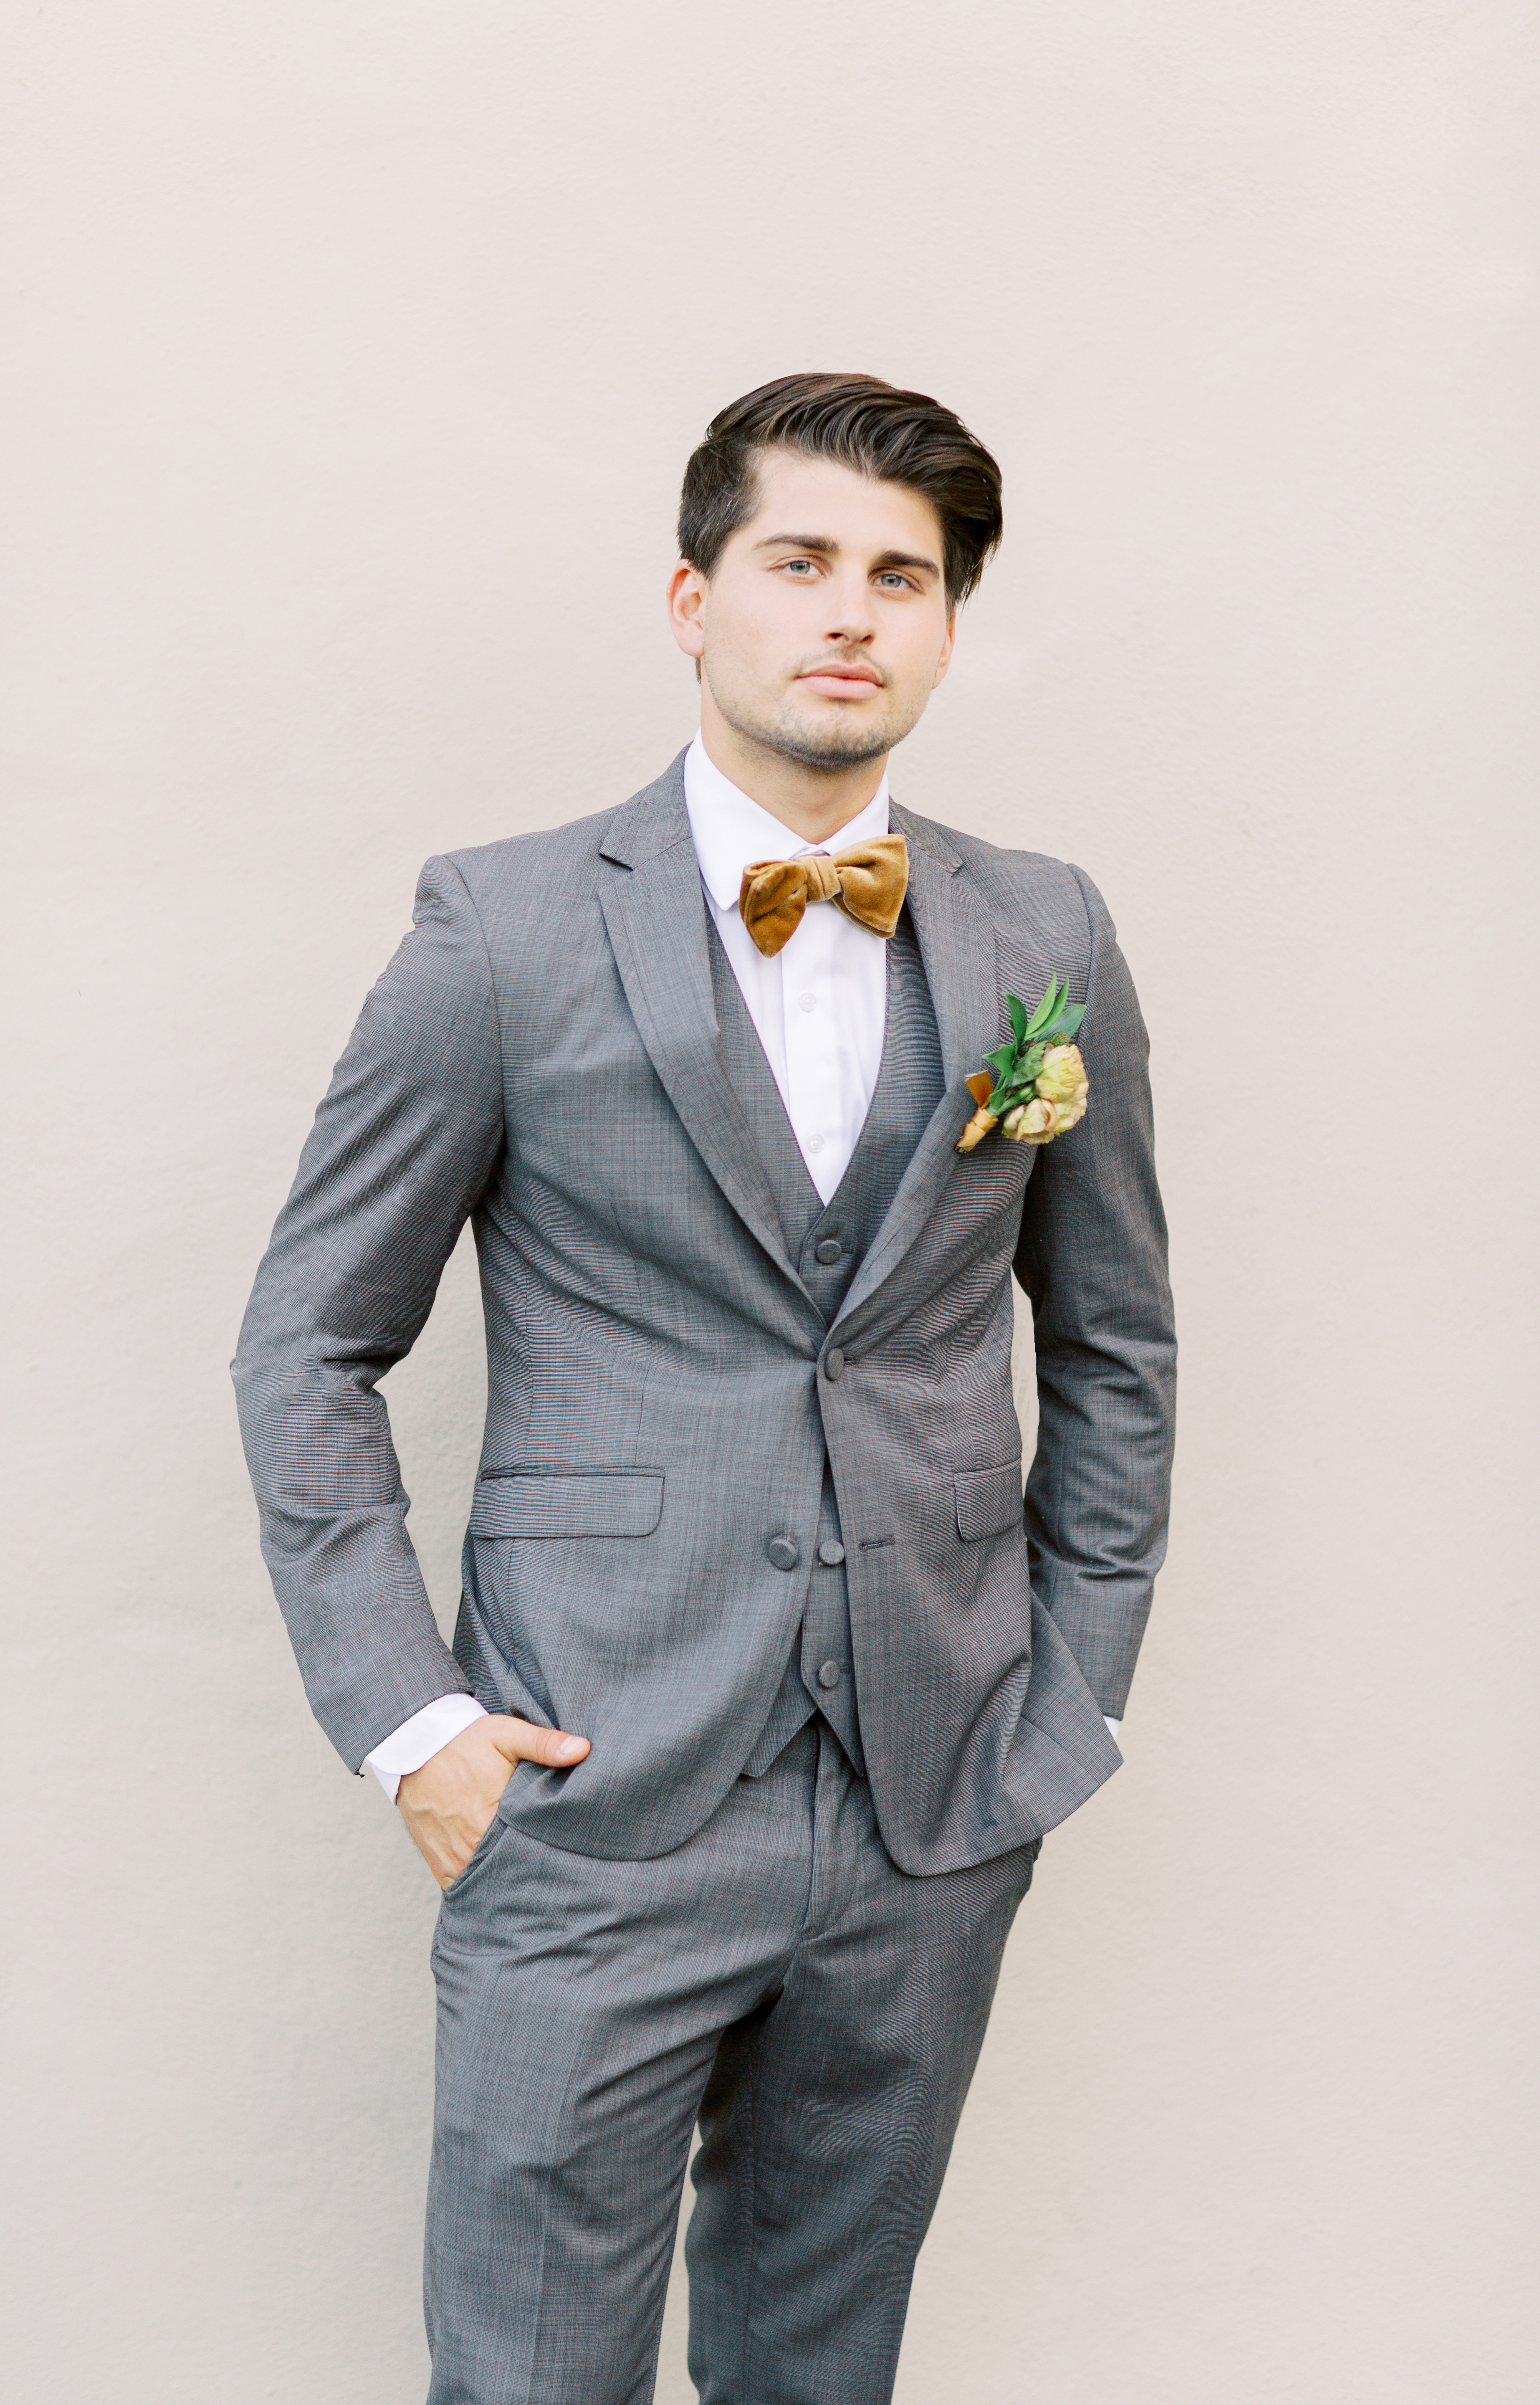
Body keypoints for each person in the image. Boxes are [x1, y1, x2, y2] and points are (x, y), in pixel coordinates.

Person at [233, 371, 1176, 2405]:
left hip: (933, 1793)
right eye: (802, 563)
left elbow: (1113, 1344)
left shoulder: (1045, 933)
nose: (853, 613)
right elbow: (305, 1340)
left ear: (947, 622)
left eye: (903, 578)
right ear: (693, 599)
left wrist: (1065, 1694)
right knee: (532, 2374)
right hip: (594, 1792)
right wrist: (418, 1731)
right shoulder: (502, 931)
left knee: (821, 2374)